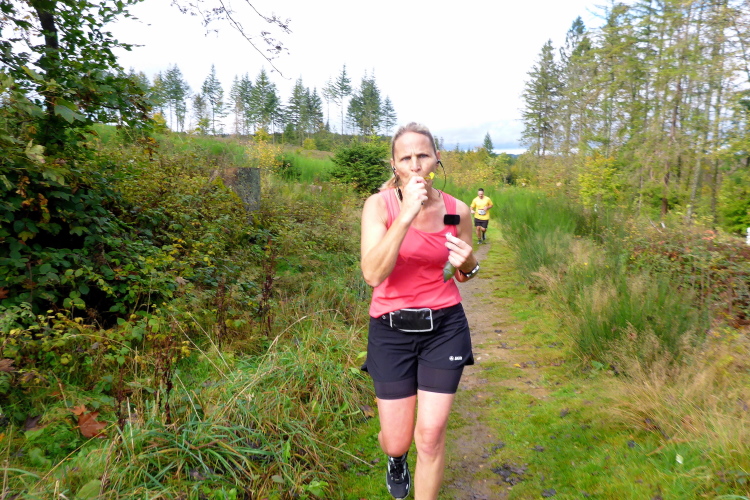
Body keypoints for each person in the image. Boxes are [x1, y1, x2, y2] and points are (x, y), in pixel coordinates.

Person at [360, 122, 480, 500]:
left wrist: (470, 264)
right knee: (396, 441)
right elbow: (372, 274)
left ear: (436, 159)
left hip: (444, 327)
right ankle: (396, 459)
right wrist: (406, 215)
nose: (415, 165)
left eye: (423, 155)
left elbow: (463, 272)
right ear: (394, 165)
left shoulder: (457, 210)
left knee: (429, 436)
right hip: (390, 330)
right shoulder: (379, 206)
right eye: (406, 158)